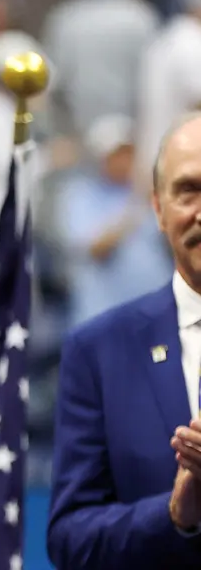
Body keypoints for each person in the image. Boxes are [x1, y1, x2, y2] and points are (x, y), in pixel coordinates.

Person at [47, 111, 201, 568]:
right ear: (157, 209)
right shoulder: (99, 351)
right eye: (187, 190)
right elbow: (70, 540)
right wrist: (174, 514)